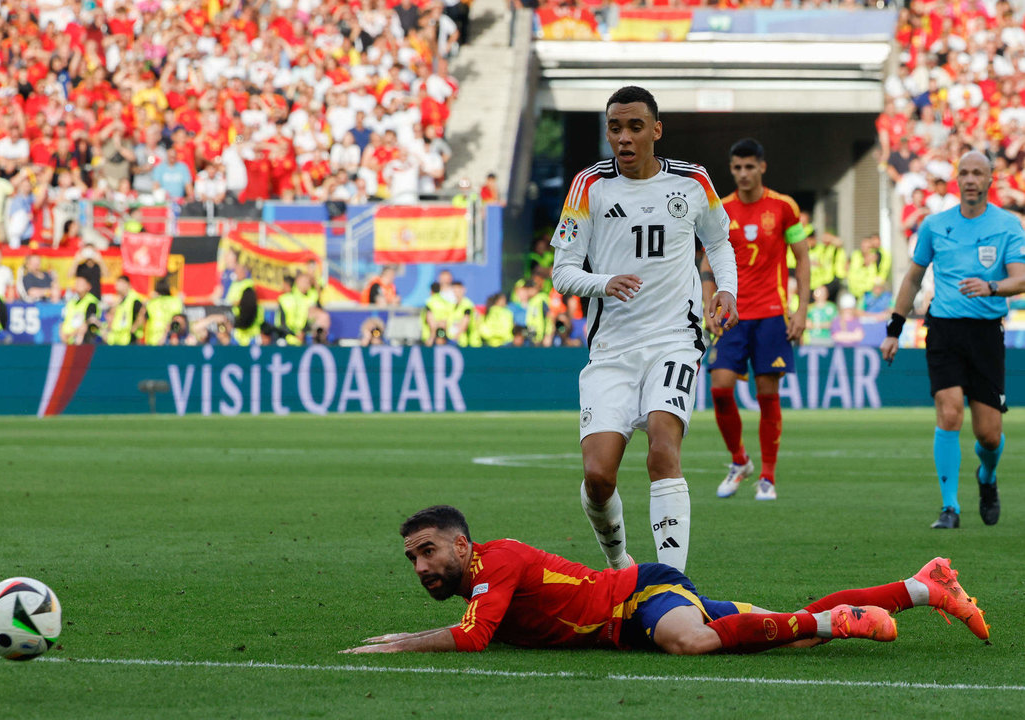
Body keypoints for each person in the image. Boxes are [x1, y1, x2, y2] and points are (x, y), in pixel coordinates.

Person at [341, 505, 989, 655]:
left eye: (428, 552)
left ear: (460, 543)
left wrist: (404, 642)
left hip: (638, 597)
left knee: (694, 642)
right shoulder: (479, 581)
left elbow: (473, 637)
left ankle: (836, 621)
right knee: (789, 635)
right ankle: (923, 587)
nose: (422, 567)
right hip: (629, 614)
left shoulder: (494, 564)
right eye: (412, 560)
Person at [550, 86, 738, 573]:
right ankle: (620, 567)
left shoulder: (693, 181)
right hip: (611, 349)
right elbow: (563, 271)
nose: (624, 137)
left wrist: (727, 291)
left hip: (675, 340)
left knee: (662, 448)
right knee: (597, 475)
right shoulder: (589, 186)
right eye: (615, 128)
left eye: (635, 127)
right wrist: (605, 282)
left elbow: (718, 243)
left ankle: (672, 584)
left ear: (656, 130)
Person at [881, 151, 1025, 529]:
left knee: (989, 435)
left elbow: (1021, 278)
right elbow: (913, 278)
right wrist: (894, 329)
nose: (971, 179)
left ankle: (987, 478)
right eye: (964, 173)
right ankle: (950, 507)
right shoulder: (934, 224)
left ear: (991, 179)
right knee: (948, 413)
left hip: (985, 333)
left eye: (978, 172)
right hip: (943, 328)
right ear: (956, 180)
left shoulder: (1008, 225)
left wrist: (991, 287)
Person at [702, 138, 811, 502]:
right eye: (737, 168)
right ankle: (740, 461)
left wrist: (801, 309)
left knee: (767, 393)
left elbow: (802, 259)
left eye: (750, 167)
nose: (743, 174)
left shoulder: (784, 208)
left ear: (762, 167)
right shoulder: (720, 209)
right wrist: (708, 304)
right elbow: (706, 264)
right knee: (719, 388)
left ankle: (767, 476)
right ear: (731, 169)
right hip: (733, 315)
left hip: (771, 314)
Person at [59, 275, 101, 345]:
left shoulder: (91, 302)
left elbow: (88, 322)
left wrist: (71, 335)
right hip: (67, 342)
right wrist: (63, 335)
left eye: (81, 283)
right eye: (77, 283)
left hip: (82, 343)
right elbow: (64, 320)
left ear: (88, 286)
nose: (78, 285)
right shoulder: (71, 302)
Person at [106, 275, 147, 345]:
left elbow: (142, 314)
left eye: (120, 283)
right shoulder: (118, 300)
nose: (117, 286)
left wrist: (133, 329)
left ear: (127, 284)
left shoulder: (134, 299)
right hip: (116, 339)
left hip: (129, 339)